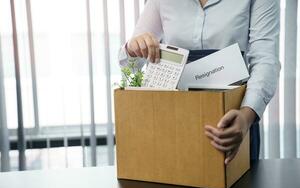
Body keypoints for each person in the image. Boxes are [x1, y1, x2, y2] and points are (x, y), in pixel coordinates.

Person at [118, 0, 280, 164]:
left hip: (233, 121)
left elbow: (265, 60)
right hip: (174, 121)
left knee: (240, 187)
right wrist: (132, 48)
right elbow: (130, 63)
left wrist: (246, 117)